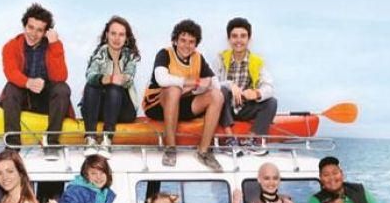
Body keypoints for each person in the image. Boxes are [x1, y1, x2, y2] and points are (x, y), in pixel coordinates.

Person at [142, 19, 224, 171]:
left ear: (196, 44)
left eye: (191, 42)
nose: (187, 45)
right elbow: (162, 79)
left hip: (183, 104)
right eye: (183, 40)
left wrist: (193, 88)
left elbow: (215, 85)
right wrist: (192, 82)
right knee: (174, 89)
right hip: (157, 104)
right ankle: (170, 148)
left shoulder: (198, 58)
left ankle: (204, 151)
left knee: (217, 96)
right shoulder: (165, 53)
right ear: (175, 40)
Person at [0, 3, 71, 159]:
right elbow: (10, 72)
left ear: (46, 32)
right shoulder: (11, 46)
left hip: (46, 99)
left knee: (63, 88)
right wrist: (28, 82)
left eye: (39, 30)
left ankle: (51, 142)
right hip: (24, 96)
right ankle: (12, 145)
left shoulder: (54, 45)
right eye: (30, 27)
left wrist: (54, 44)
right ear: (24, 26)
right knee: (10, 88)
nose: (33, 33)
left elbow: (60, 77)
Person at [81, 16, 140, 159]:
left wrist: (115, 77)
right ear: (107, 35)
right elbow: (90, 75)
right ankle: (90, 138)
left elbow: (127, 78)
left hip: (123, 110)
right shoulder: (99, 53)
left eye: (121, 34)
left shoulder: (130, 56)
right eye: (113, 33)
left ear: (126, 38)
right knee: (92, 85)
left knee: (114, 88)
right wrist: (106, 79)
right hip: (98, 108)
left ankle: (107, 139)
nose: (117, 38)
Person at [214, 17, 277, 151]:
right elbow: (212, 84)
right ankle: (230, 139)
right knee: (221, 91)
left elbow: (269, 87)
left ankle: (250, 140)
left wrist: (256, 93)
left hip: (245, 108)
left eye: (243, 36)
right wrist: (230, 85)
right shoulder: (220, 58)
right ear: (229, 39)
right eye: (234, 36)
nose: (238, 40)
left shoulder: (257, 61)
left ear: (249, 39)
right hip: (225, 109)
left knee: (271, 102)